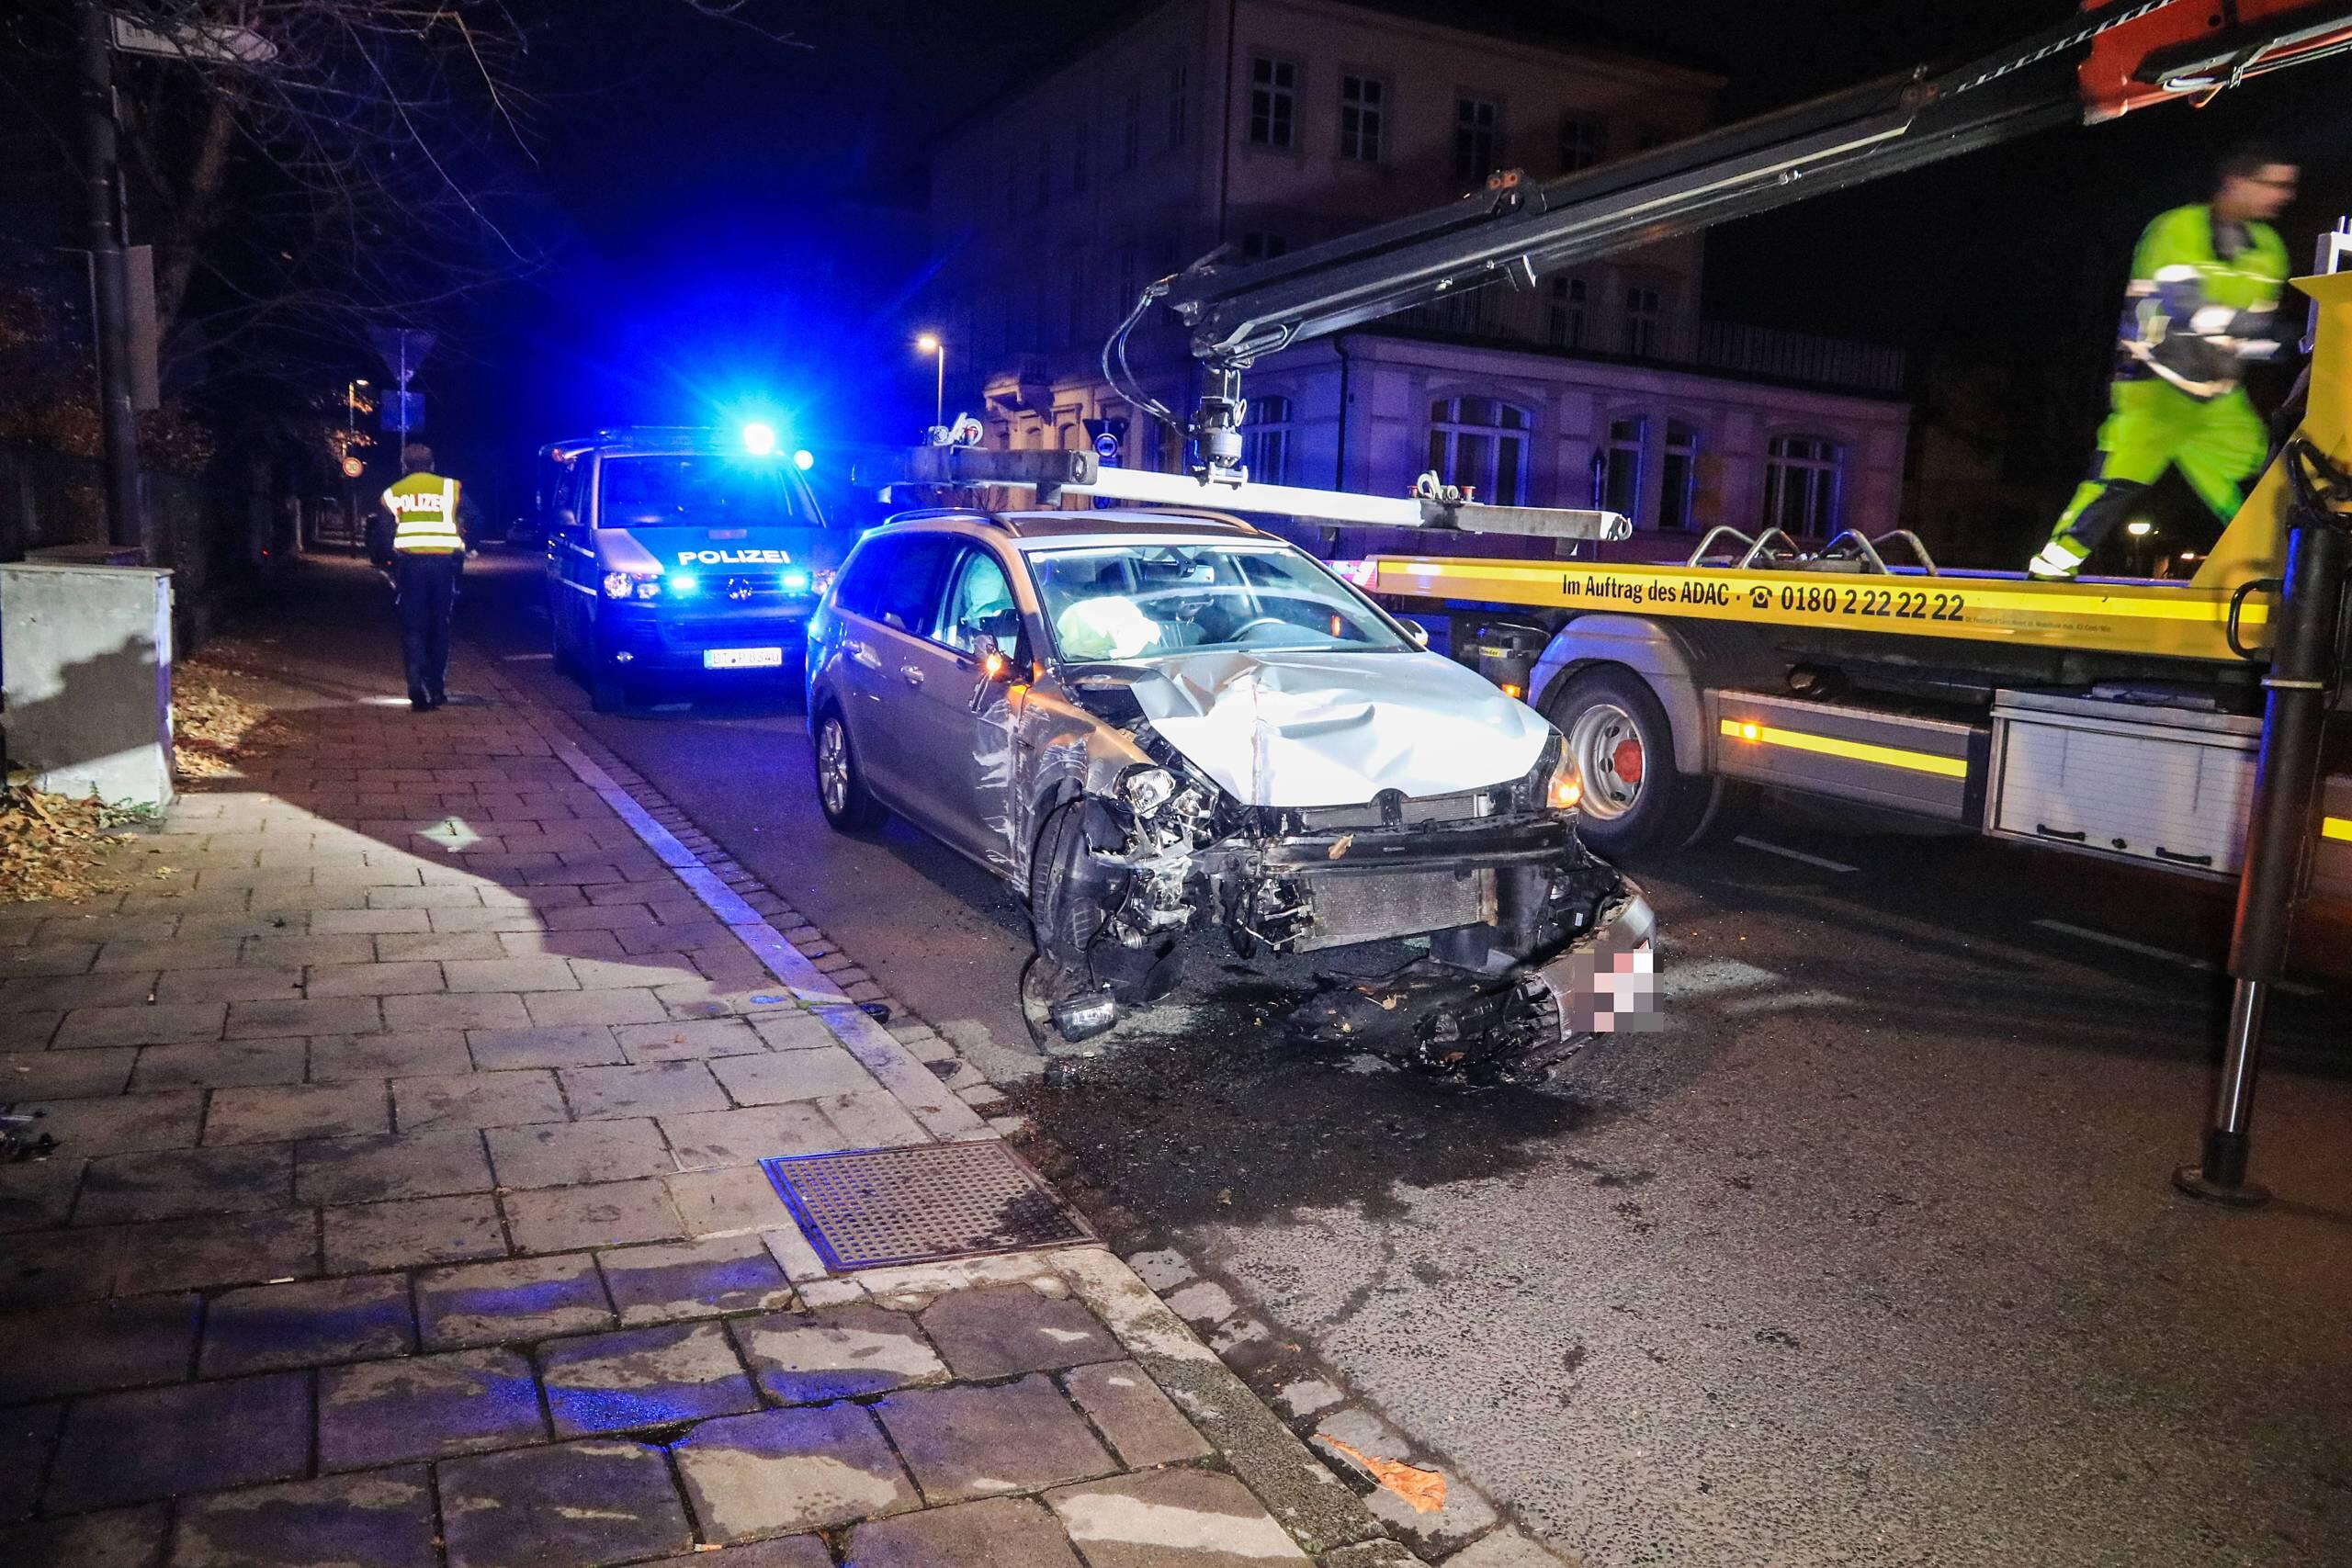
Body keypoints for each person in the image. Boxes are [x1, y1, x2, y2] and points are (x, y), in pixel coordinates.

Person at [2027, 144, 2298, 581]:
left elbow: (2254, 328)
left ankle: (2283, 577)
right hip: (2154, 392)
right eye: (2274, 183)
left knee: (2263, 488)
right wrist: (2258, 334)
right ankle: (2050, 570)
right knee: (2115, 484)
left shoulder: (2268, 248)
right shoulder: (2177, 228)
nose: (2284, 195)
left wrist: (2272, 339)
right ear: (2236, 183)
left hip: (2217, 400)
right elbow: (2182, 307)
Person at [370, 443, 472, 710]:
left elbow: (382, 534)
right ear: (432, 464)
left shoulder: (392, 493)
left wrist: (388, 559)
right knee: (440, 626)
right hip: (443, 566)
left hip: (410, 566)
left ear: (405, 466)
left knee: (413, 626)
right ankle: (436, 688)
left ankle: (415, 682)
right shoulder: (451, 488)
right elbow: (475, 518)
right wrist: (466, 546)